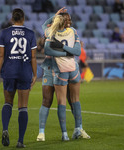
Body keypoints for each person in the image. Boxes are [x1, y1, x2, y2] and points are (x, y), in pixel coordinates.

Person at [37, 8, 90, 141]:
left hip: (64, 68)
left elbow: (44, 26)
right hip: (52, 67)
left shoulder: (70, 31)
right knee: (47, 100)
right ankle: (42, 132)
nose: (69, 21)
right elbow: (44, 27)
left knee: (70, 101)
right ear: (61, 21)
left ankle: (77, 129)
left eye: (70, 19)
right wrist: (55, 16)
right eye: (66, 19)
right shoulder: (55, 31)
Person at [0, 8, 37, 148]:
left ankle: (5, 129)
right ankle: (20, 141)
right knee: (23, 107)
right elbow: (34, 57)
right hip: (24, 72)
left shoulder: (5, 33)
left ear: (12, 19)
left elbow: (0, 56)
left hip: (9, 72)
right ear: (23, 19)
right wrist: (35, 74)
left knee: (8, 102)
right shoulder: (30, 34)